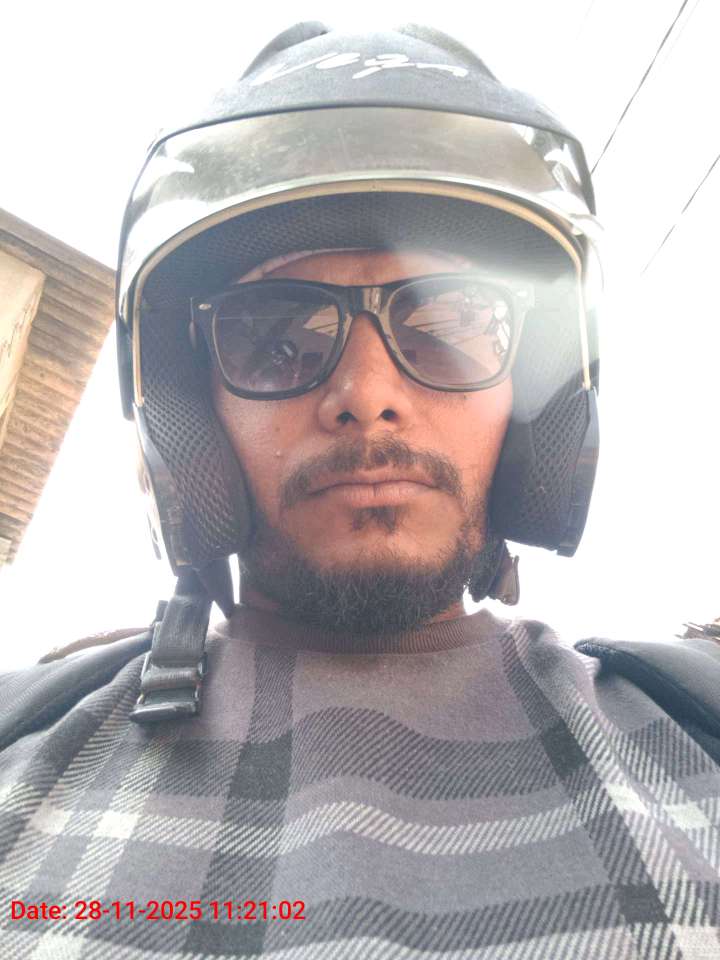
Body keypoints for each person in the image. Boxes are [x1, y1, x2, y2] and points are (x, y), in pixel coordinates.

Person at [1, 20, 719, 960]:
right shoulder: (22, 748)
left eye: (449, 326)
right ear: (189, 413)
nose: (368, 395)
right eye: (276, 339)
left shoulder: (696, 720)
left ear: (532, 403)